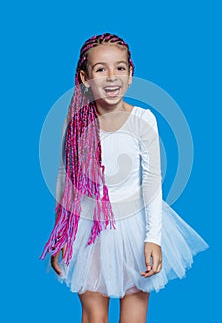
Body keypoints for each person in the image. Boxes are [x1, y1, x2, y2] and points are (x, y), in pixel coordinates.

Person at [40, 32, 208, 323]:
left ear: (131, 74)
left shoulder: (142, 119)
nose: (111, 76)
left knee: (134, 316)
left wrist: (152, 238)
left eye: (120, 67)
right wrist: (61, 233)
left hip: (135, 227)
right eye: (100, 69)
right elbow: (65, 176)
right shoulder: (77, 122)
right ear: (84, 77)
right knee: (94, 315)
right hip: (88, 230)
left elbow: (152, 182)